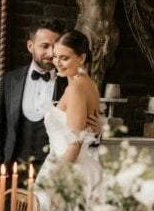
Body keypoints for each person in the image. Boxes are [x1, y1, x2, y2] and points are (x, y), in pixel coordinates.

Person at [0, 19, 101, 178]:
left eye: (54, 47)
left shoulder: (71, 82)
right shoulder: (10, 80)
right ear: (30, 46)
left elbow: (83, 133)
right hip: (13, 172)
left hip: (55, 169)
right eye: (45, 46)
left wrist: (97, 131)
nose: (50, 53)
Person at [35, 30, 103, 201]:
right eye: (56, 56)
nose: (57, 63)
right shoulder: (89, 84)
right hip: (81, 164)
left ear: (81, 58)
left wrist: (57, 182)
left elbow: (75, 143)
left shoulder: (76, 89)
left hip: (69, 168)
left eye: (65, 58)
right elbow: (87, 129)